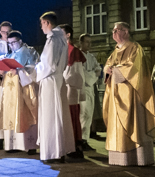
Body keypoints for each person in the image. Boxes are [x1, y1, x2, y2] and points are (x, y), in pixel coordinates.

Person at [101, 22, 155, 166]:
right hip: (115, 95)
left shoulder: (135, 48)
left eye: (117, 30)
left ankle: (136, 157)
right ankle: (119, 158)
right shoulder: (115, 51)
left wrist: (115, 70)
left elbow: (134, 68)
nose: (113, 33)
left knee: (134, 123)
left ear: (126, 32)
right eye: (113, 30)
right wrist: (107, 70)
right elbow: (108, 65)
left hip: (131, 95)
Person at [31, 12, 77, 162]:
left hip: (50, 80)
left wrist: (34, 69)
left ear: (47, 23)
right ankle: (60, 150)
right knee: (59, 115)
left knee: (50, 117)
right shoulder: (61, 38)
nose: (41, 28)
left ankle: (53, 152)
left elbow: (48, 65)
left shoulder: (53, 38)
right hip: (57, 79)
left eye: (42, 24)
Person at [0, 31, 39, 152]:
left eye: (13, 43)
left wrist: (19, 71)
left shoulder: (30, 52)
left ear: (20, 41)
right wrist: (1, 73)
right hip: (11, 92)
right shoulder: (9, 55)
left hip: (24, 90)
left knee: (26, 114)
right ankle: (12, 145)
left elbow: (34, 69)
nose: (11, 46)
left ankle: (30, 146)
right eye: (9, 43)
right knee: (11, 113)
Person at [61, 24, 88, 154]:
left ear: (68, 35)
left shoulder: (74, 51)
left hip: (70, 89)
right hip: (63, 87)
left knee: (72, 117)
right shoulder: (62, 49)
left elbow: (77, 74)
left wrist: (62, 79)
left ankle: (76, 147)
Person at [79, 34, 102, 143]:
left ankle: (86, 139)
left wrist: (93, 73)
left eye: (90, 42)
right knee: (84, 114)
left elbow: (98, 69)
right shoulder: (78, 56)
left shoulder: (91, 57)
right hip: (82, 89)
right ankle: (81, 139)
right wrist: (94, 74)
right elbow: (84, 74)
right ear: (81, 43)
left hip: (91, 89)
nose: (89, 44)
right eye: (87, 42)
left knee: (90, 115)